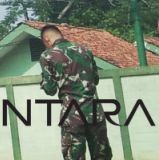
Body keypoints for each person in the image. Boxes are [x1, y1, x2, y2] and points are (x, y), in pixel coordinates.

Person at [38, 25, 112, 160]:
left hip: (72, 116)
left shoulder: (47, 55)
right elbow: (95, 79)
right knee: (102, 156)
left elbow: (50, 89)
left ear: (47, 39)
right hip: (95, 112)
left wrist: (45, 82)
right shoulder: (85, 50)